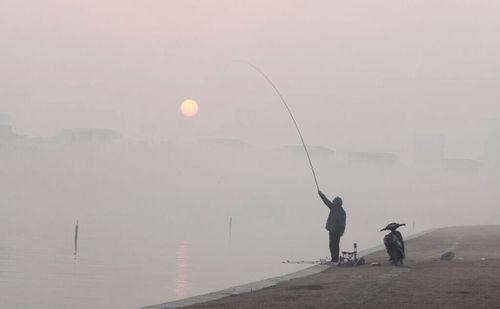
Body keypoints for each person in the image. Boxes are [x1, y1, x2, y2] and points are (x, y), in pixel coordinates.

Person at [318, 190, 346, 263]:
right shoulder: (333, 207)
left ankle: (335, 259)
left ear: (339, 203)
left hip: (337, 231)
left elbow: (343, 224)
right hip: (331, 230)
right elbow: (326, 201)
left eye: (335, 202)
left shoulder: (342, 212)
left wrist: (342, 232)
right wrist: (321, 195)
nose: (334, 203)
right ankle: (333, 258)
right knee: (331, 245)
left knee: (335, 245)